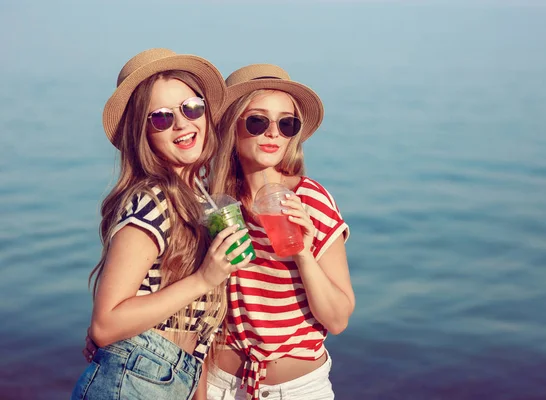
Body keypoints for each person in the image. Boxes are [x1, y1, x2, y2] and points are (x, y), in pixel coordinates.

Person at [71, 48, 253, 400]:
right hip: (134, 378)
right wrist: (204, 278)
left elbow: (190, 329)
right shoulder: (151, 201)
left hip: (173, 378)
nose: (183, 123)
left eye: (191, 108)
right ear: (144, 134)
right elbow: (106, 324)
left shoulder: (199, 202)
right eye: (161, 118)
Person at [205, 64, 355, 400]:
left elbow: (338, 319)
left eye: (286, 124)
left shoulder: (309, 200)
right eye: (258, 121)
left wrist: (303, 252)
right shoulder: (215, 208)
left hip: (297, 390)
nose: (273, 133)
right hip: (219, 386)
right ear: (232, 126)